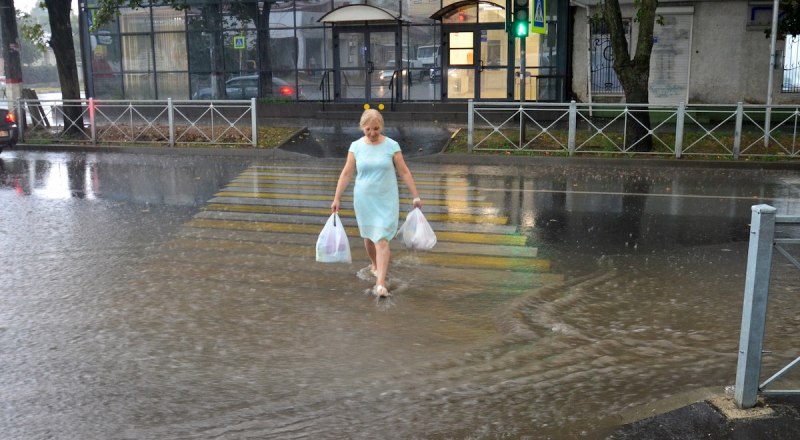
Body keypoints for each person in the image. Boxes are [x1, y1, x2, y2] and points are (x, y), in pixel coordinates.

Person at [331, 109, 422, 298]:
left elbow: (404, 171)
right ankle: (374, 264)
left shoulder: (391, 146)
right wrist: (337, 198)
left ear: (381, 126)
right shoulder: (355, 147)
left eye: (376, 129)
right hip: (364, 199)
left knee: (381, 239)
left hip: (386, 198)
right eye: (368, 129)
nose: (372, 133)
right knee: (369, 236)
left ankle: (380, 283)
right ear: (361, 128)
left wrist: (416, 196)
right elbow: (347, 173)